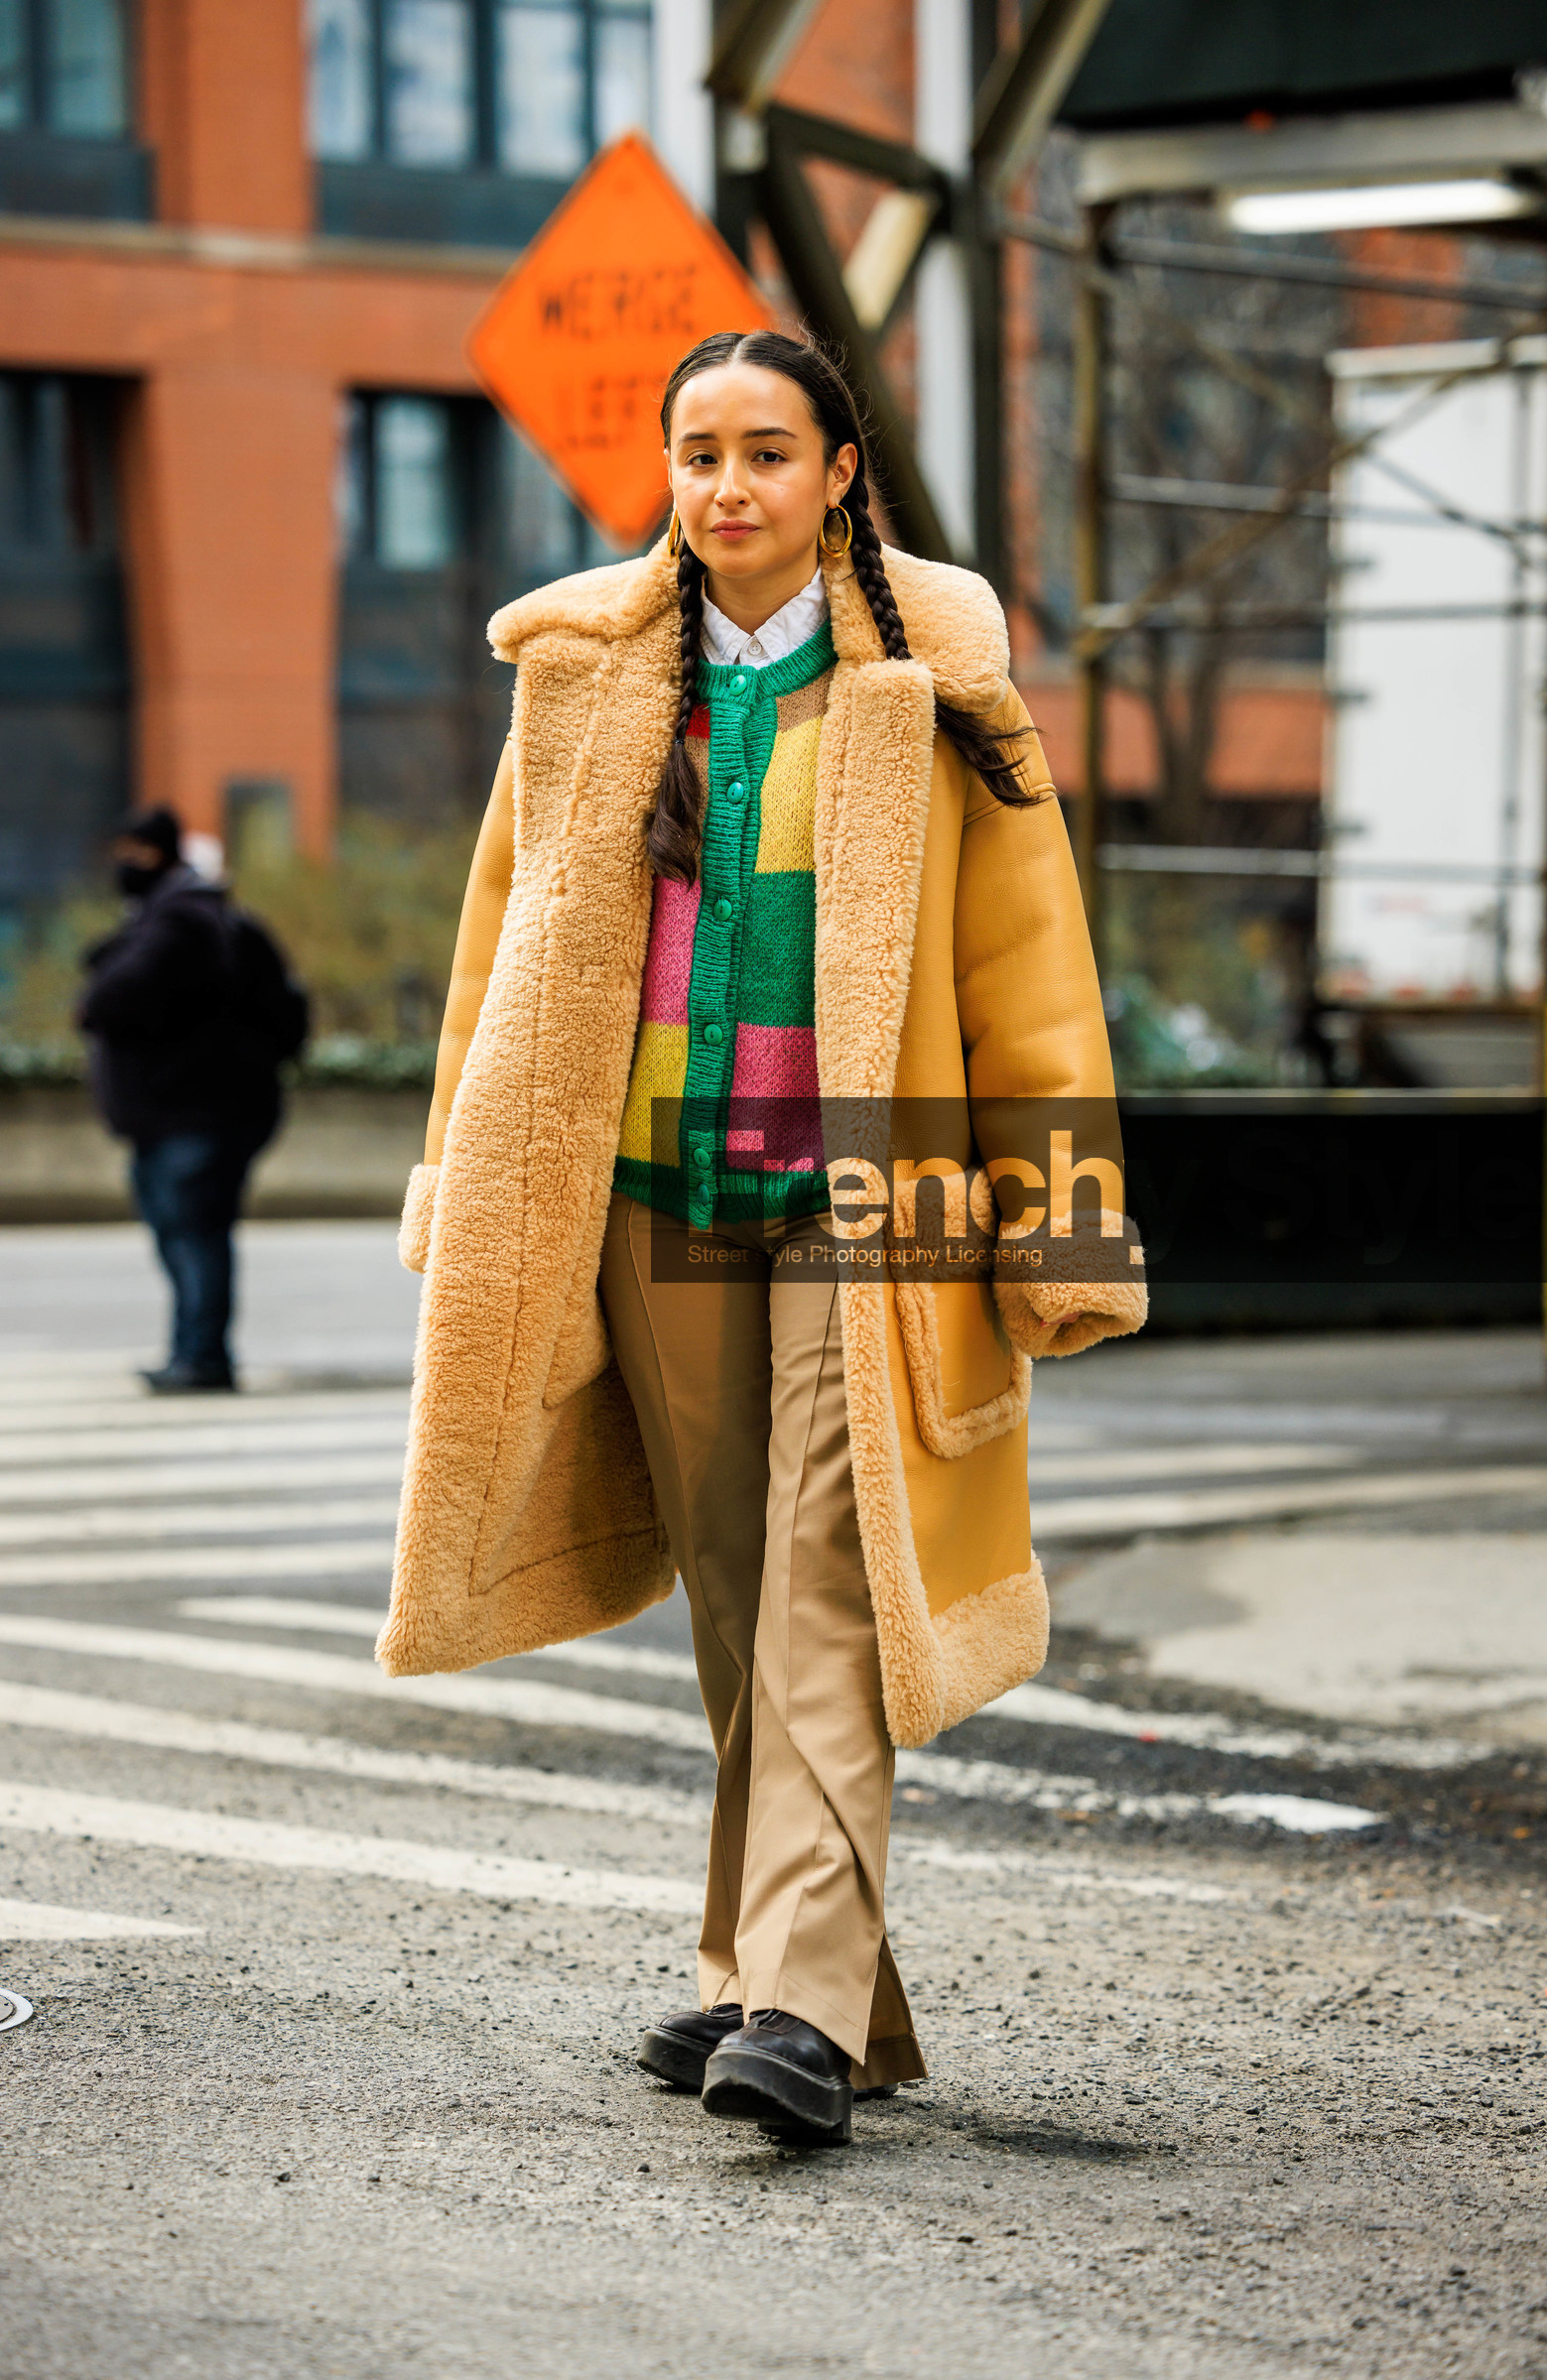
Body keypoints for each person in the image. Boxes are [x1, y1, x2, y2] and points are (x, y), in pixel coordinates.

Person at [379, 330, 1147, 2146]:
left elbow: (1032, 974)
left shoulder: (935, 691)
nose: (729, 485)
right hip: (650, 1191)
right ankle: (788, 1977)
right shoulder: (584, 681)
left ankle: (793, 2004)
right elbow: (497, 956)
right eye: (699, 453)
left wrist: (1062, 1216)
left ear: (839, 474)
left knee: (824, 1576)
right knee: (736, 1584)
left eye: (767, 452)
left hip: (868, 1197)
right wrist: (451, 1167)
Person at [78, 805, 310, 1393]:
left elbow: (110, 1000)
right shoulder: (210, 919)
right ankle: (192, 1350)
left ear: (158, 854)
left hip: (195, 1115)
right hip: (193, 1113)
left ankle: (202, 1357)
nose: (124, 866)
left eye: (134, 854)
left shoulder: (179, 923)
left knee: (193, 1233)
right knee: (184, 1232)